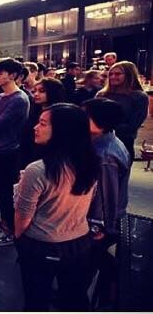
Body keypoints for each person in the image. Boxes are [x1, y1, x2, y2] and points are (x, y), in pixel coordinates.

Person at [14, 103, 99, 311]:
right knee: (73, 299)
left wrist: (19, 237)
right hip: (79, 242)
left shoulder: (38, 170)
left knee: (36, 299)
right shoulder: (91, 162)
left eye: (43, 123)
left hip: (42, 244)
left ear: (62, 131)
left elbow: (22, 218)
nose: (35, 127)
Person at [83, 98, 131, 310]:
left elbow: (106, 197)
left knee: (86, 266)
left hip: (99, 224)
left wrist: (99, 227)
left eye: (86, 115)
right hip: (101, 220)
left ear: (100, 122)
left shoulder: (105, 155)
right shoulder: (104, 141)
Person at [0, 58, 30, 247]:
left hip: (7, 152)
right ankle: (4, 222)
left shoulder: (19, 99)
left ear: (13, 75)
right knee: (0, 190)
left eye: (0, 73)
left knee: (7, 192)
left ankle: (10, 230)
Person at [96, 61, 149, 162]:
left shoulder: (139, 97)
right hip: (98, 141)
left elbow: (133, 125)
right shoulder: (102, 94)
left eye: (117, 74)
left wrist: (106, 128)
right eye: (111, 74)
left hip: (123, 142)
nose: (113, 77)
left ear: (129, 75)